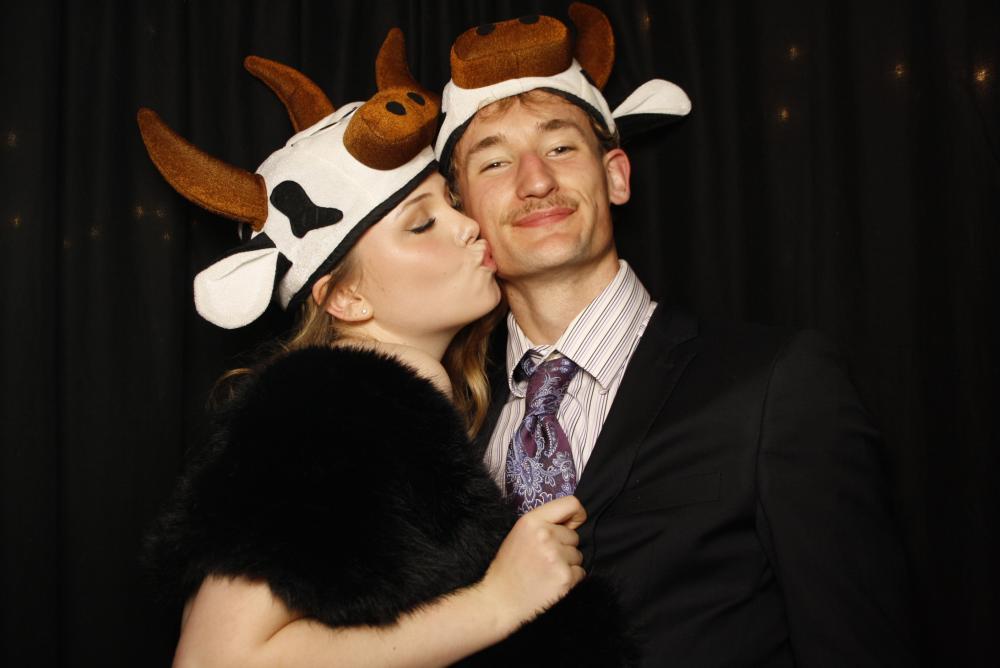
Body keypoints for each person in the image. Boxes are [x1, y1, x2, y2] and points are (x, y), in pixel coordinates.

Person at [436, 4, 917, 666]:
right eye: (494, 163)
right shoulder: (450, 420)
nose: (536, 180)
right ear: (462, 214)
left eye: (560, 147)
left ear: (616, 175)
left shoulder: (774, 387)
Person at [138, 31, 634, 667]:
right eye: (423, 224)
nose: (469, 226)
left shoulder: (412, 412)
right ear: (346, 299)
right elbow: (212, 661)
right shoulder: (324, 416)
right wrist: (496, 603)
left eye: (450, 204)